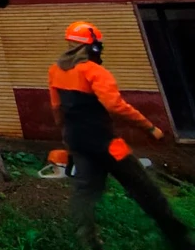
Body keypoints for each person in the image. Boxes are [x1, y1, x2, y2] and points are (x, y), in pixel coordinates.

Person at [49, 21, 194, 250]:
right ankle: (179, 237)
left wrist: (67, 135)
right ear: (93, 47)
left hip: (78, 142)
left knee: (84, 193)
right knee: (144, 186)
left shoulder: (56, 71)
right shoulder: (96, 72)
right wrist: (149, 127)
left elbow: (57, 109)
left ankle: (87, 242)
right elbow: (115, 106)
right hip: (107, 142)